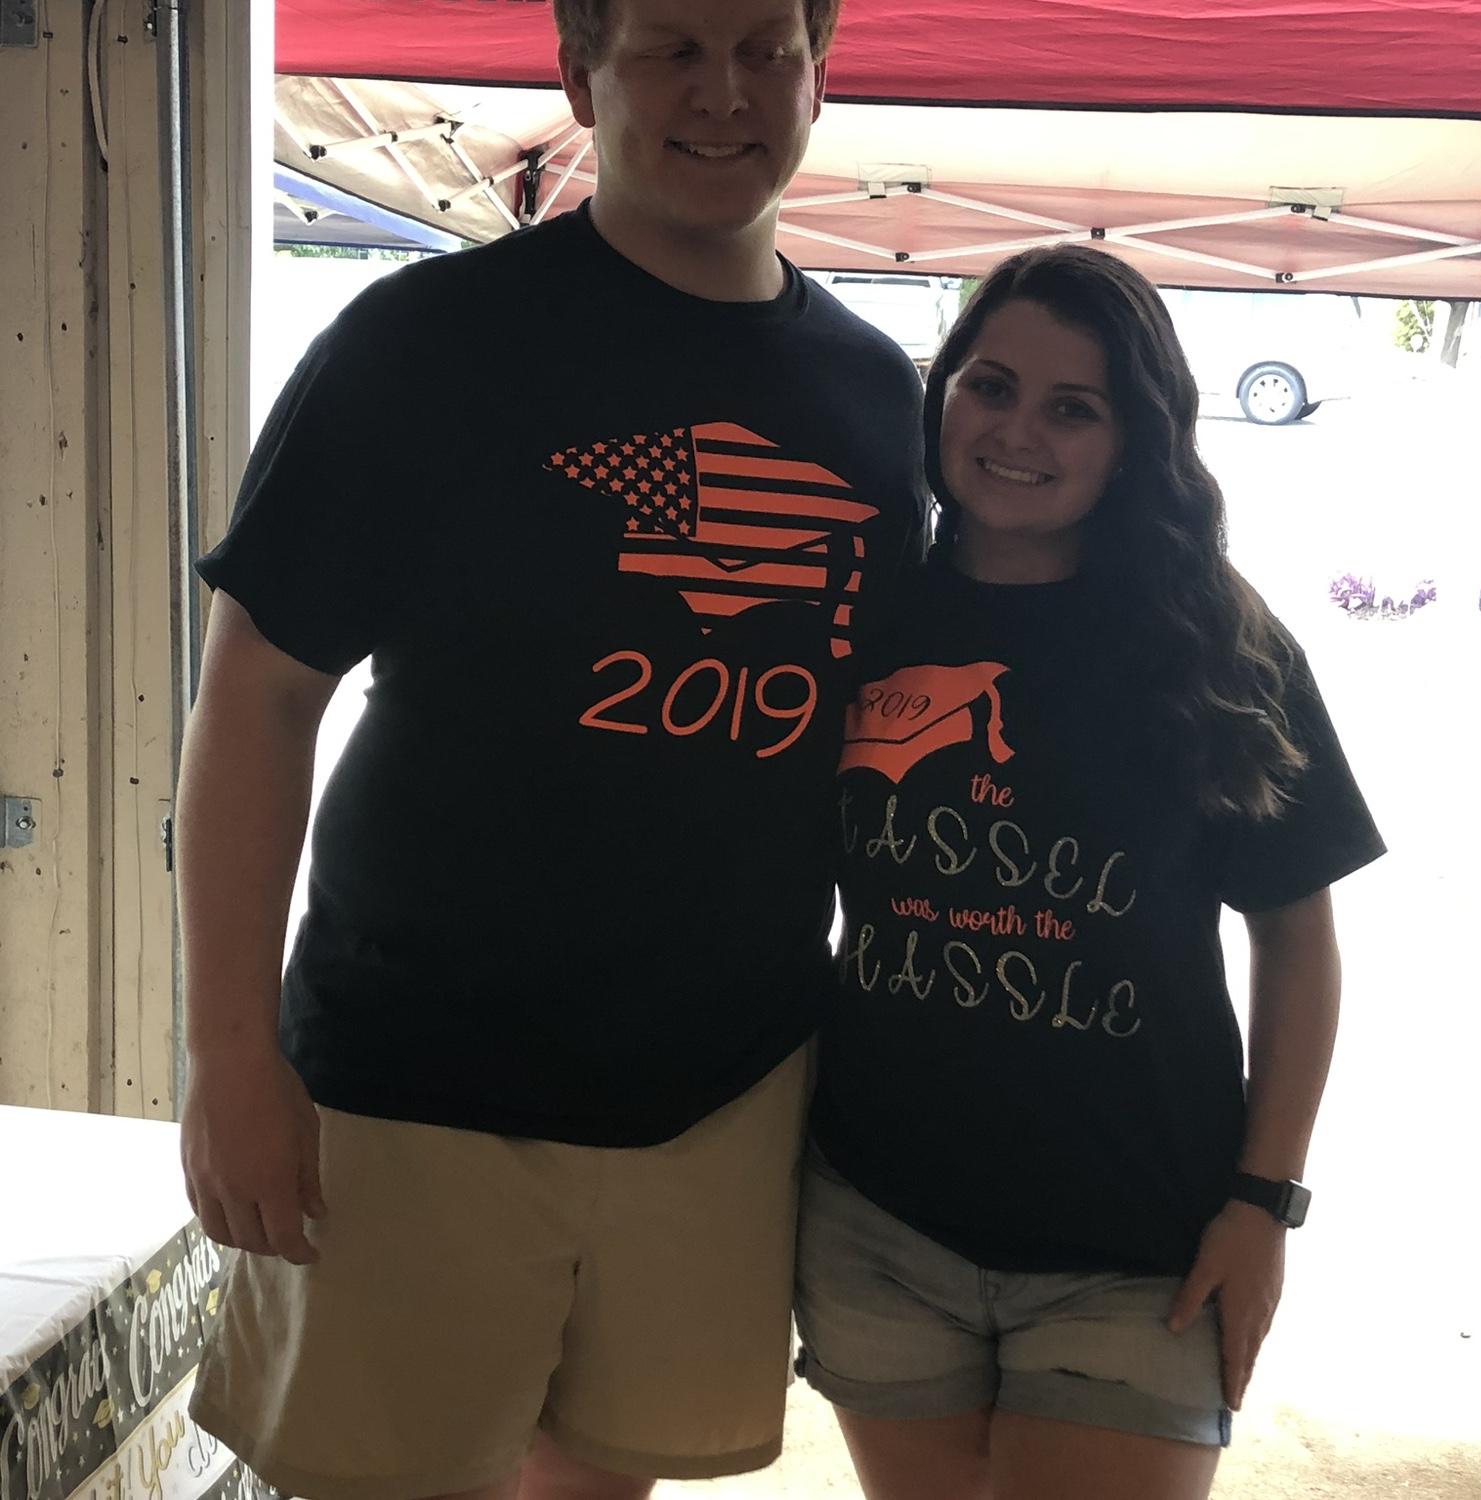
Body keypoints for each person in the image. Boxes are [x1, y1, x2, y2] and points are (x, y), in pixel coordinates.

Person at [175, 2, 924, 1497]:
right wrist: (231, 1055)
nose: (726, 94)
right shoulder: (425, 342)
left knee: (604, 1477)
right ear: (582, 76)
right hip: (414, 1080)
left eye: (765, 50)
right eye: (672, 50)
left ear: (820, 74)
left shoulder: (875, 391)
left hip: (721, 1092)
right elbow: (257, 696)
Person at [794, 245, 1385, 1500]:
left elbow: (1297, 935)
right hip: (876, 1224)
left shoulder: (1218, 643)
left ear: (1137, 439)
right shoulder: (863, 614)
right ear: (942, 390)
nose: (1019, 432)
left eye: (1075, 407)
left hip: (1137, 1250)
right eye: (991, 386)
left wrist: (1264, 1203)